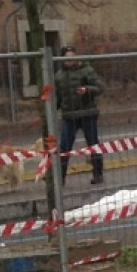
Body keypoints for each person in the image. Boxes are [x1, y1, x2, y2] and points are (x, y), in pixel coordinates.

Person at [53, 45, 106, 186]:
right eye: (67, 58)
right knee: (64, 147)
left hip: (87, 114)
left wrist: (87, 89)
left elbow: (100, 87)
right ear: (63, 59)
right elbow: (58, 98)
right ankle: (60, 178)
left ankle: (98, 173)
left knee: (93, 144)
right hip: (69, 116)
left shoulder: (87, 70)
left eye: (73, 57)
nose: (70, 60)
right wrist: (51, 109)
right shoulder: (59, 76)